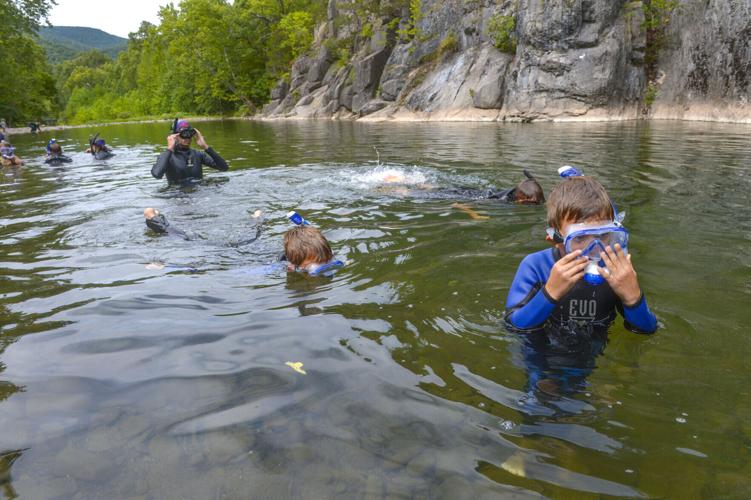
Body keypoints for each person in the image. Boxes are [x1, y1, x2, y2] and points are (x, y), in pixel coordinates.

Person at [504, 173, 657, 395]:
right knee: (540, 399)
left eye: (603, 236)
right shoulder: (536, 266)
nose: (594, 249)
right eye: (580, 239)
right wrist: (550, 293)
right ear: (555, 239)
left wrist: (633, 297)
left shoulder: (613, 271)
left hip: (593, 351)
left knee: (608, 398)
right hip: (540, 350)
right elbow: (514, 325)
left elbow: (645, 330)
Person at [151, 119, 228, 184]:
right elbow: (157, 175)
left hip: (198, 194)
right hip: (178, 196)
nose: (187, 138)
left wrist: (205, 147)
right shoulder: (167, 157)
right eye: (183, 134)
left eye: (189, 134)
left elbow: (224, 168)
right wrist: (170, 148)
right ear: (174, 136)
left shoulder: (198, 154)